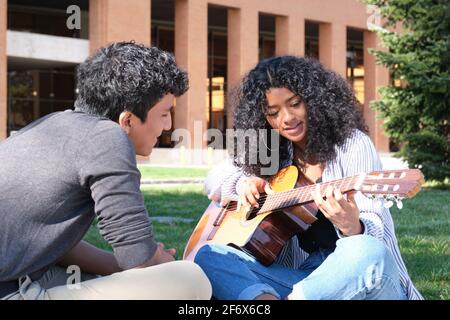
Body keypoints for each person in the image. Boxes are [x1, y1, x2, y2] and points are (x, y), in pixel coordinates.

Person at [195, 56, 422, 300]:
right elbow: (214, 178)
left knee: (365, 249)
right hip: (308, 278)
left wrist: (352, 226)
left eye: (295, 104)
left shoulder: (353, 144)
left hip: (365, 277)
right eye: (273, 113)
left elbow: (374, 240)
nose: (287, 118)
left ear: (314, 99)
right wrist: (243, 184)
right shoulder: (272, 151)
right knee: (209, 256)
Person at [0, 42, 211, 300]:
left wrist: (124, 268)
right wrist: (156, 258)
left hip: (23, 273)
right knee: (191, 278)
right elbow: (137, 258)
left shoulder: (52, 123)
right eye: (165, 113)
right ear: (127, 121)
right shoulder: (108, 136)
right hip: (13, 291)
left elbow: (54, 244)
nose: (168, 126)